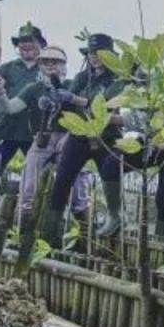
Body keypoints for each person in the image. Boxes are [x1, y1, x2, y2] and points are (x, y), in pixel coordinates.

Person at [41, 33, 127, 245]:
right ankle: (50, 235)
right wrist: (54, 100)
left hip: (106, 137)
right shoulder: (81, 78)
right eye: (91, 53)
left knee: (110, 177)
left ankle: (115, 223)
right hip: (79, 136)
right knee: (61, 182)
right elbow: (67, 102)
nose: (94, 57)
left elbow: (103, 106)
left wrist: (75, 99)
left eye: (99, 53)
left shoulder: (118, 80)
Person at [0, 45, 89, 224]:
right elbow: (11, 108)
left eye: (56, 61)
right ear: (39, 65)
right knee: (28, 188)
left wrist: (70, 137)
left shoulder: (73, 85)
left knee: (78, 190)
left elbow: (85, 113)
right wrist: (1, 94)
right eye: (45, 61)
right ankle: (24, 228)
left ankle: (84, 229)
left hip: (70, 138)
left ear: (64, 65)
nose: (51, 64)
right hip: (42, 138)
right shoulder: (34, 88)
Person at [0, 22, 47, 208]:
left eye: (31, 41)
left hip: (34, 134)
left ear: (40, 44)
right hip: (5, 131)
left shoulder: (47, 69)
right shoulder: (7, 68)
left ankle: (34, 215)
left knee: (39, 178)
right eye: (22, 42)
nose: (26, 45)